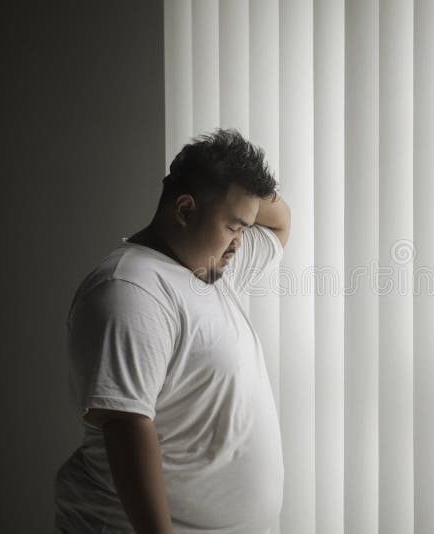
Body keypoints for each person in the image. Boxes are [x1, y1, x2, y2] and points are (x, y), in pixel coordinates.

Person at [53, 128, 291, 534]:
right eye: (235, 226)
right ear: (184, 210)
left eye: (244, 227)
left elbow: (280, 223)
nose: (241, 241)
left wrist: (239, 187)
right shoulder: (131, 289)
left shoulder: (209, 268)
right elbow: (128, 430)